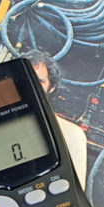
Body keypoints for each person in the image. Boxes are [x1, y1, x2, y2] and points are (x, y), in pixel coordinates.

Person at [24, 49, 88, 187]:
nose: (31, 85)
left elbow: (74, 191)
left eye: (39, 81)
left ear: (51, 87)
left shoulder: (72, 135)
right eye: (26, 78)